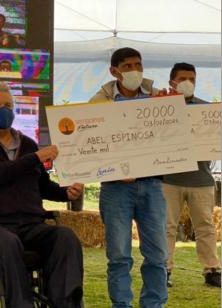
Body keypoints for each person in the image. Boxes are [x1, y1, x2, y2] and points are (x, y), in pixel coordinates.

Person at [0, 80, 84, 308]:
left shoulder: (28, 144)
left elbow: (43, 186)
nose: (3, 110)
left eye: (7, 104)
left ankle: (64, 303)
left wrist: (67, 193)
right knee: (7, 243)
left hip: (30, 223)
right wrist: (36, 157)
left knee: (65, 237)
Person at [90, 47, 168, 307]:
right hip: (115, 187)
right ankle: (121, 305)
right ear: (114, 71)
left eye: (138, 65)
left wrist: (176, 104)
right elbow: (90, 145)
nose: (135, 70)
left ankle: (153, 304)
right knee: (119, 255)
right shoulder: (98, 103)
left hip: (153, 184)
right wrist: (113, 168)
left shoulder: (159, 98)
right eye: (128, 66)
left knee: (158, 254)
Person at [163, 62, 220, 288]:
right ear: (172, 82)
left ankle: (212, 270)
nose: (188, 83)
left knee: (205, 226)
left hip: (201, 179)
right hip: (168, 180)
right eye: (183, 78)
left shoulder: (208, 111)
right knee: (166, 226)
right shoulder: (161, 110)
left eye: (192, 79)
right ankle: (164, 270)